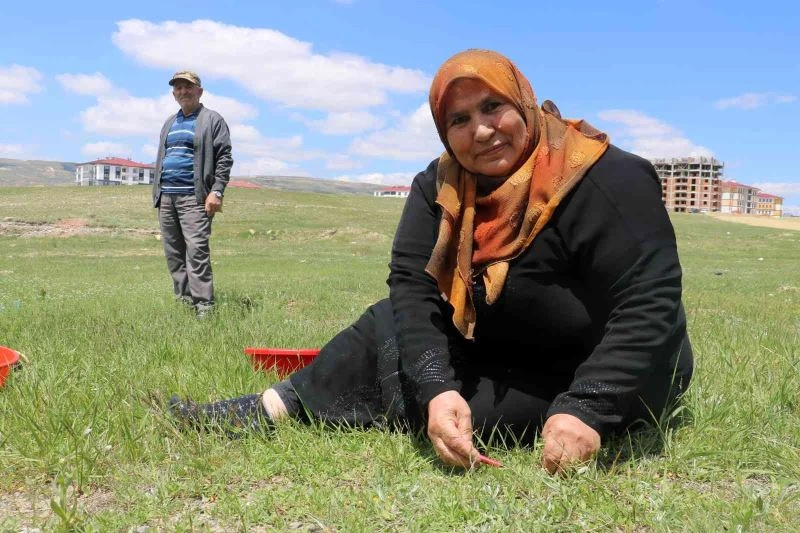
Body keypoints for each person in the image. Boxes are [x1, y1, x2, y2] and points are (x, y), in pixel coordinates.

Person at [169, 50, 693, 474]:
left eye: (493, 107)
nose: (481, 131)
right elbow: (412, 288)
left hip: (609, 364)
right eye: (459, 119)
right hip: (506, 343)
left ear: (524, 102)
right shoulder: (440, 185)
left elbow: (650, 303)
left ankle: (369, 400)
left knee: (473, 419)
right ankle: (273, 407)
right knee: (393, 323)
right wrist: (437, 387)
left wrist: (589, 407)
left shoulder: (607, 179)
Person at [153, 70, 233, 318]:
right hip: (167, 197)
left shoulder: (212, 120)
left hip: (195, 198)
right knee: (174, 253)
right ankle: (184, 304)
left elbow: (224, 158)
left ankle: (204, 307)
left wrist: (216, 191)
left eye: (188, 87)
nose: (182, 91)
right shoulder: (170, 122)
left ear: (199, 91)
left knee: (196, 251)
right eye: (178, 87)